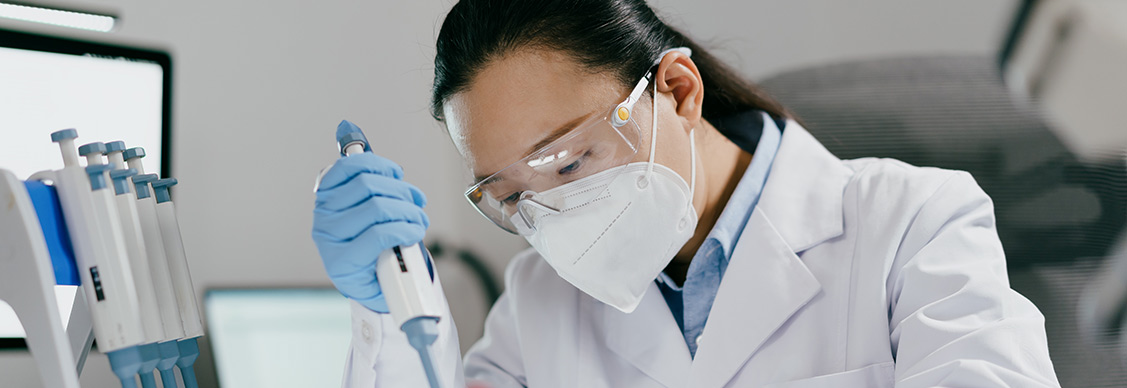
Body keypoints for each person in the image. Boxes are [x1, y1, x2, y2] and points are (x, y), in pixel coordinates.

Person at [311, 0, 1061, 386]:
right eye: (509, 196)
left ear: (676, 88)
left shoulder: (909, 224)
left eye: (567, 163)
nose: (550, 215)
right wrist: (386, 308)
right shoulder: (541, 298)